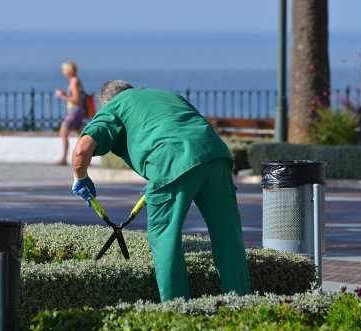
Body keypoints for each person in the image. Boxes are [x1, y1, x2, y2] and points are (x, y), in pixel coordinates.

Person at [71, 80, 251, 302]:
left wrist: (81, 177)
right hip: (215, 155)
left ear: (106, 102)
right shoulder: (166, 95)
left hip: (170, 161)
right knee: (228, 235)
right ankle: (243, 305)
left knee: (165, 238)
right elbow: (182, 129)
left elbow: (81, 150)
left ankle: (177, 312)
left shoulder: (114, 106)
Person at [54, 61, 87, 165]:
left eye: (64, 70)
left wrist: (62, 96)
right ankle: (85, 158)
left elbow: (77, 99)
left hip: (75, 111)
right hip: (77, 111)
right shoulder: (75, 81)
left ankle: (64, 158)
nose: (62, 72)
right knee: (81, 135)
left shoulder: (74, 81)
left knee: (63, 131)